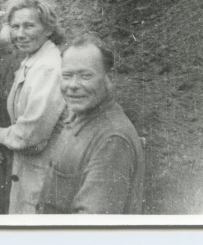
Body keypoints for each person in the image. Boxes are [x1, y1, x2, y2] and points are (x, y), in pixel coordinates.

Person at [36, 33, 145, 214]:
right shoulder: (79, 116)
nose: (73, 85)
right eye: (67, 75)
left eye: (85, 76)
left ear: (109, 79)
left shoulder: (112, 140)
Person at [0, 0, 67, 214]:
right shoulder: (33, 59)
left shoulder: (48, 68)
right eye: (15, 26)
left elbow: (33, 134)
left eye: (29, 26)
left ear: (49, 29)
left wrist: (2, 136)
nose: (20, 34)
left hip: (45, 174)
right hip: (30, 168)